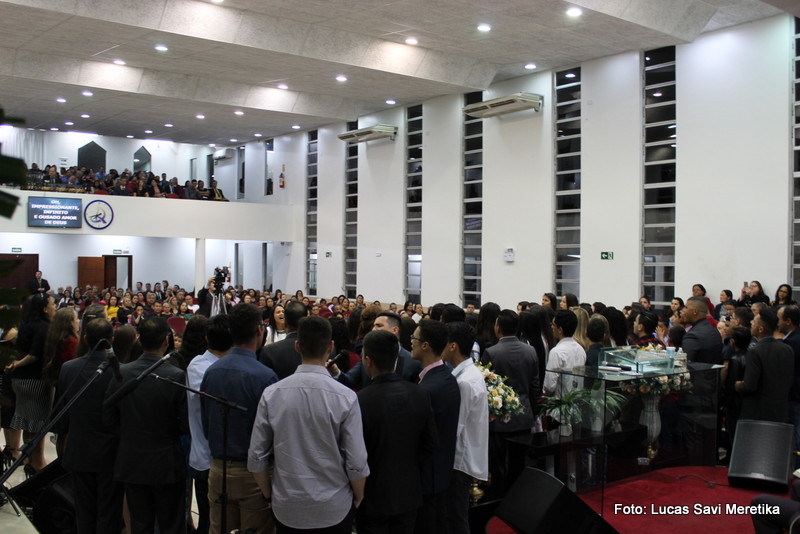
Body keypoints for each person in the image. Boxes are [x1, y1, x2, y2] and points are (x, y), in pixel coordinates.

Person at [248, 316, 369, 533]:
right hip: (334, 505)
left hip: (287, 505)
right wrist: (358, 495)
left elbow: (257, 456)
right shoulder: (346, 397)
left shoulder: (272, 394)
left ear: (297, 346)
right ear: (330, 347)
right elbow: (356, 460)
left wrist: (269, 494)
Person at [104, 317, 188, 534]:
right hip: (166, 461)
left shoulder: (122, 373)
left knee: (140, 523)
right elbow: (185, 424)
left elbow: (108, 418)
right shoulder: (176, 375)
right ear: (166, 341)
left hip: (132, 458)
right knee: (171, 524)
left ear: (139, 339)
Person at [200, 305, 276, 534]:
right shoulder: (265, 376)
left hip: (217, 468)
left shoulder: (211, 372)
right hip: (253, 474)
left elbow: (206, 424)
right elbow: (273, 432)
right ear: (259, 331)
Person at [355, 330, 438, 534]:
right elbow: (431, 443)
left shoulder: (360, 400)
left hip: (373, 495)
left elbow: (355, 453)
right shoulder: (419, 394)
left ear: (368, 361)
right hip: (409, 491)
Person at [55, 318, 123, 534]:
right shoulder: (120, 371)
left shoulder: (68, 368)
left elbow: (62, 413)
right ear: (111, 340)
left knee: (83, 511)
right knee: (108, 512)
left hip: (79, 448)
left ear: (85, 339)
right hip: (111, 452)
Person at [410, 319, 460, 534]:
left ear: (425, 345)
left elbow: (423, 438)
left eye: (414, 338)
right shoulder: (447, 378)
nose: (410, 342)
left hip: (427, 476)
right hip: (441, 471)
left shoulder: (428, 389)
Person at [480, 310, 538, 491]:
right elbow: (535, 385)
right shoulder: (530, 350)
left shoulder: (491, 352)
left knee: (498, 464)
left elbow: (484, 385)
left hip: (498, 416)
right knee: (518, 463)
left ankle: (499, 496)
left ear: (498, 328)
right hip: (524, 414)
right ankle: (518, 495)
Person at [443, 321, 489, 534]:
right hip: (464, 455)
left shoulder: (465, 381)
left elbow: (455, 426)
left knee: (456, 518)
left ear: (453, 346)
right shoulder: (468, 373)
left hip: (459, 459)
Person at [5, 294, 55, 473]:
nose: (54, 307)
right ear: (44, 308)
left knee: (28, 422)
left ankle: (28, 459)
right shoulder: (44, 327)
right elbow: (34, 355)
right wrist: (17, 364)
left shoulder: (25, 325)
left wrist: (16, 365)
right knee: (37, 424)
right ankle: (37, 462)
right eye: (52, 304)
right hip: (34, 380)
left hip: (20, 380)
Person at [330, 312, 422, 388]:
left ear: (395, 330)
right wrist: (336, 372)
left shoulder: (412, 362)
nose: (373, 329)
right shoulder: (367, 354)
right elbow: (350, 380)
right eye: (373, 326)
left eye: (379, 325)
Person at [735, 308, 795, 423]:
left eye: (754, 321)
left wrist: (739, 386)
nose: (751, 323)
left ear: (761, 329)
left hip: (758, 414)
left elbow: (749, 386)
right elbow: (789, 380)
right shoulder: (787, 349)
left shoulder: (755, 351)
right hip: (780, 411)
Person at [543, 309, 586, 398]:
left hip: (560, 401)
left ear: (560, 329)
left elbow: (549, 386)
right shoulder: (581, 349)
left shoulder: (556, 352)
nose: (551, 327)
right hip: (577, 400)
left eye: (553, 325)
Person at [260, 301, 307, 379]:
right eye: (278, 312)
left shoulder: (269, 351)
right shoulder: (317, 348)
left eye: (282, 312)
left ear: (285, 322)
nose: (281, 314)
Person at [681, 296, 723, 365]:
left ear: (695, 311)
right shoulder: (714, 330)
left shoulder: (693, 335)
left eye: (686, 308)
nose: (683, 311)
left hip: (698, 371)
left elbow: (685, 363)